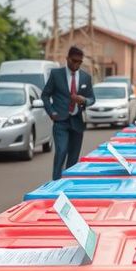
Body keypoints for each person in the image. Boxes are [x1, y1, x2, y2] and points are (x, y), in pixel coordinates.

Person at [42, 46, 95, 180]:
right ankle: (55, 183)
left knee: (73, 156)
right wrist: (51, 112)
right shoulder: (56, 74)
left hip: (77, 121)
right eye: (74, 60)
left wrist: (84, 100)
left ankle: (68, 183)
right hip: (60, 120)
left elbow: (92, 99)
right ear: (67, 59)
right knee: (61, 150)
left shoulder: (85, 77)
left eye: (79, 62)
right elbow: (45, 95)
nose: (76, 64)